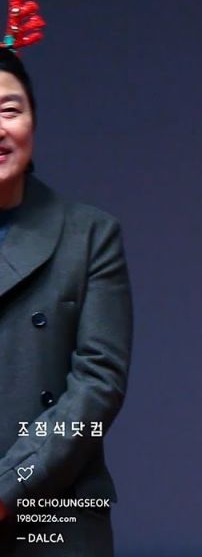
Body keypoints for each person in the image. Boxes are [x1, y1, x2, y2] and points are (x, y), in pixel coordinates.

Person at [0, 45, 132, 554]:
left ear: (33, 120)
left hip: (54, 508)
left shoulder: (90, 235)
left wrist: (7, 487)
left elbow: (99, 386)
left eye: (10, 110)